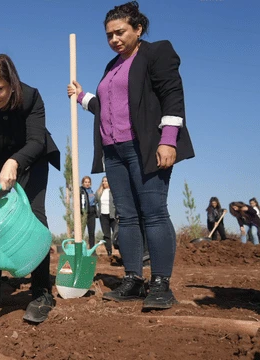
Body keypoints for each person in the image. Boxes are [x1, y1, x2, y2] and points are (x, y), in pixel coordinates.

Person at [67, 1, 195, 310]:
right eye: (109, 35)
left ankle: (161, 284)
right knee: (128, 217)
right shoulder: (112, 67)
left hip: (145, 146)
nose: (114, 40)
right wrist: (83, 97)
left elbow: (172, 97)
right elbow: (107, 107)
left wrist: (168, 140)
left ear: (138, 29)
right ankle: (133, 279)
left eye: (120, 32)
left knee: (153, 212)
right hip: (114, 151)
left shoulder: (156, 52)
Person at [0, 54, 60, 323]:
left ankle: (41, 292)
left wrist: (15, 161)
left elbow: (36, 140)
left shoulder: (30, 98)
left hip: (32, 160)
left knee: (35, 217)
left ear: (11, 83)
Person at [96, 176, 117, 256]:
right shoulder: (99, 192)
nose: (104, 182)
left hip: (112, 215)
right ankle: (109, 251)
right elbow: (93, 202)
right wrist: (97, 213)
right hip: (103, 216)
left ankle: (120, 249)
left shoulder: (113, 191)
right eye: (103, 181)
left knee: (116, 233)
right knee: (106, 235)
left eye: (106, 181)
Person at [80, 176, 98, 247]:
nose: (87, 183)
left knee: (91, 233)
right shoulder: (81, 191)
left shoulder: (92, 191)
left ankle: (92, 249)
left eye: (88, 182)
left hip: (92, 214)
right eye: (85, 182)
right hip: (84, 213)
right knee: (81, 232)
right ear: (83, 183)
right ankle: (80, 249)